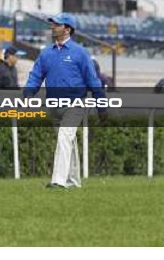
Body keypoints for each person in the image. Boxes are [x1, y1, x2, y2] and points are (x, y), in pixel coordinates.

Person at [23, 13, 108, 189]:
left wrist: (102, 106)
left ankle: (58, 181)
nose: (52, 27)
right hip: (54, 105)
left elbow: (93, 80)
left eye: (57, 25)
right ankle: (73, 181)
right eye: (52, 24)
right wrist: (28, 94)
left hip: (75, 104)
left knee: (64, 137)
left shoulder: (80, 53)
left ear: (67, 29)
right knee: (68, 141)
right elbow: (36, 75)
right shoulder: (46, 53)